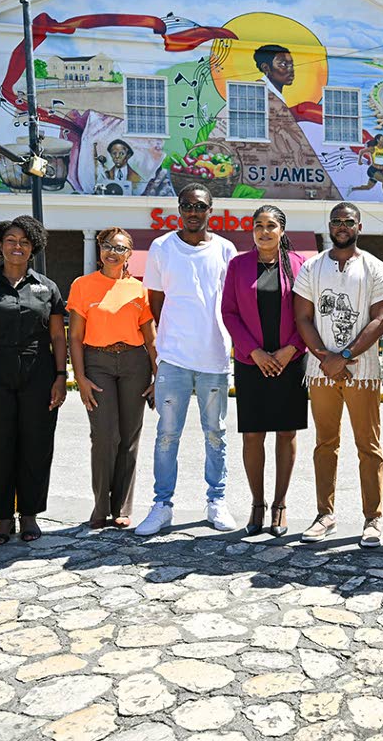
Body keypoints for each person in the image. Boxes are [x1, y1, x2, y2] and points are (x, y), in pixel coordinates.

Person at [136, 183, 239, 536]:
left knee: (216, 435)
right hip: (174, 359)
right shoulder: (162, 247)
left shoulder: (226, 250)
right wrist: (169, 340)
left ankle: (217, 501)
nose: (193, 212)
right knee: (167, 434)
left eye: (200, 206)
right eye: (187, 206)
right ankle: (162, 505)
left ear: (211, 210)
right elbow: (156, 299)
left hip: (214, 358)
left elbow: (231, 303)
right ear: (178, 209)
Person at [0, 216, 67, 545]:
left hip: (39, 371)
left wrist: (61, 376)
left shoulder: (47, 288)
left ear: (34, 248)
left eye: (24, 242)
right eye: (10, 240)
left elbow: (58, 338)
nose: (17, 246)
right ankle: (2, 519)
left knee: (36, 443)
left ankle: (30, 515)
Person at [293, 202, 383, 546]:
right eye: (336, 221)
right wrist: (325, 357)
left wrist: (346, 355)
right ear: (330, 225)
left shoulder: (374, 267)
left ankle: (373, 519)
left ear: (359, 226)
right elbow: (303, 317)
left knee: (368, 446)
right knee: (325, 444)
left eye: (348, 221)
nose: (341, 226)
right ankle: (325, 514)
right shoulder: (312, 266)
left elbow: (382, 317)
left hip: (361, 371)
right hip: (321, 371)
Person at [222, 206, 307, 536]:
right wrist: (255, 352)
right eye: (258, 226)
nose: (264, 231)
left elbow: (308, 315)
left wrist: (290, 350)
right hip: (250, 362)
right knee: (253, 434)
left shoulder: (300, 266)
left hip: (290, 361)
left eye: (271, 225)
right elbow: (228, 312)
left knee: (287, 433)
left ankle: (280, 505)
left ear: (282, 230)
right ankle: (257, 504)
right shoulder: (238, 265)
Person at [68, 228, 156, 530]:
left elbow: (150, 337)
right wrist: (80, 377)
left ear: (130, 254)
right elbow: (75, 337)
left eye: (120, 248)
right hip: (98, 362)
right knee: (104, 436)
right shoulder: (82, 285)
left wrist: (158, 375)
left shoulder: (139, 289)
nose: (112, 252)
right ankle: (100, 507)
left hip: (135, 362)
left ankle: (122, 507)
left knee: (129, 438)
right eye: (106, 246)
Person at [348, 135, 383, 201]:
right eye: (382, 139)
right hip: (372, 170)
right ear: (378, 140)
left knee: (368, 187)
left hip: (380, 171)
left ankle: (352, 189)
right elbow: (361, 151)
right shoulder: (373, 149)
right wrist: (359, 161)